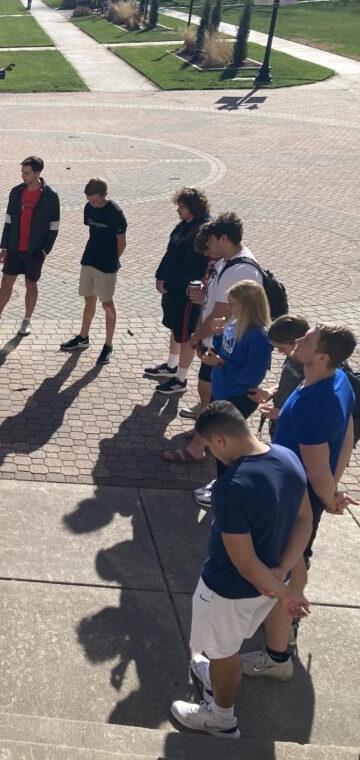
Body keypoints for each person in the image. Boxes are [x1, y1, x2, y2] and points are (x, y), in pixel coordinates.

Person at [170, 402, 311, 739]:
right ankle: (216, 672)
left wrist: (283, 592)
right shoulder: (288, 458)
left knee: (224, 653)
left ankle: (221, 718)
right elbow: (304, 519)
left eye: (209, 447)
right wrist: (282, 575)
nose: (213, 455)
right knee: (226, 647)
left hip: (228, 592)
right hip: (269, 585)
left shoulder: (230, 487)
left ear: (219, 439)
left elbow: (244, 563)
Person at [240, 323, 357, 678]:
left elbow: (316, 468)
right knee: (297, 562)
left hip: (294, 500)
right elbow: (348, 434)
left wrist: (328, 494)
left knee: (282, 572)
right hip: (306, 495)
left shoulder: (312, 404)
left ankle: (277, 658)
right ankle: (288, 623)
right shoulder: (339, 381)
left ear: (323, 356)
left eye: (308, 340)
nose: (299, 340)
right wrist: (332, 490)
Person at [165, 281, 273, 507]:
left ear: (248, 306)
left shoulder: (259, 337)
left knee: (227, 449)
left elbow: (251, 376)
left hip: (237, 398)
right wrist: (216, 336)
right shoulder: (235, 323)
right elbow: (224, 350)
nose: (229, 309)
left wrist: (221, 363)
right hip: (221, 391)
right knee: (220, 448)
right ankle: (222, 485)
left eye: (233, 305)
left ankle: (225, 491)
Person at [180, 214, 264, 420]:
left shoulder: (239, 270)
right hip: (217, 339)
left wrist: (197, 336)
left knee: (216, 393)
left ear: (224, 238)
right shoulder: (224, 263)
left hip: (227, 345)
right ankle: (205, 424)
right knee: (207, 387)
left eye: (211, 239)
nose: (207, 244)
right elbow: (213, 303)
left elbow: (221, 313)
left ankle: (208, 428)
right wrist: (202, 299)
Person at [0, 156, 60, 337]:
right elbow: (8, 221)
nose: (23, 176)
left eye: (26, 173)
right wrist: (4, 247)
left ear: (37, 173)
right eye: (22, 172)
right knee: (5, 284)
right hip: (14, 248)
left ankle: (27, 321)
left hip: (35, 251)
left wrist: (44, 251)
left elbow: (54, 227)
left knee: (31, 284)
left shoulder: (50, 196)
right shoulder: (16, 192)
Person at [145, 187, 211, 395]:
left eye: (181, 206)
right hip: (173, 289)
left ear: (193, 207)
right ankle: (171, 366)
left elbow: (191, 268)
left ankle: (180, 379)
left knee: (186, 335)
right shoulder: (183, 226)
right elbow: (169, 253)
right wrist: (159, 276)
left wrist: (168, 284)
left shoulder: (200, 231)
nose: (178, 209)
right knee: (176, 328)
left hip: (186, 293)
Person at [59, 177, 127, 365]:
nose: (92, 204)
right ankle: (83, 338)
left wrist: (111, 260)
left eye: (95, 201)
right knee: (89, 300)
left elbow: (122, 243)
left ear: (105, 195)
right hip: (89, 260)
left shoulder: (115, 213)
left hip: (106, 266)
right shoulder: (88, 207)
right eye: (89, 200)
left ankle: (108, 345)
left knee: (107, 304)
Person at [249, 313, 309, 438]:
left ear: (298, 342)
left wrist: (280, 413)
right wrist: (271, 392)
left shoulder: (312, 368)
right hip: (279, 426)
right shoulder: (293, 355)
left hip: (295, 434)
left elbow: (312, 410)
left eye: (282, 348)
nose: (280, 352)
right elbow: (292, 382)